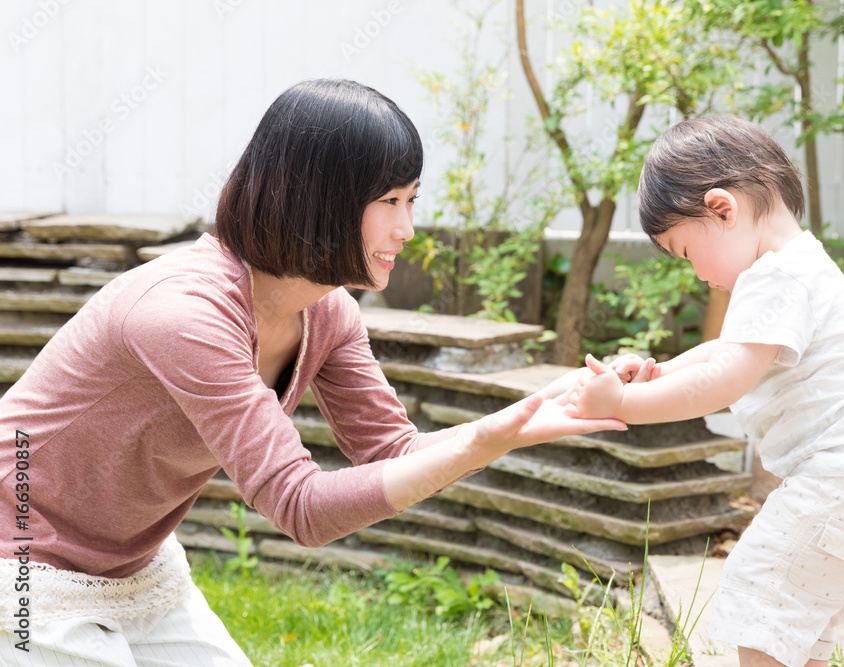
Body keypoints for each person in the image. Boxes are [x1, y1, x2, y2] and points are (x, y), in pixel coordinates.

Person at [0, 79, 626, 666]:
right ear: (315, 198)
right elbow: (301, 508)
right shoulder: (182, 313)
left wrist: (541, 411)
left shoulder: (327, 312)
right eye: (389, 202)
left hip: (129, 568)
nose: (407, 228)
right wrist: (479, 441)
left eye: (411, 201)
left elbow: (394, 451)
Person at [560, 115, 844, 667]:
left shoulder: (774, 277)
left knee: (760, 587)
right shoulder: (800, 267)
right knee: (798, 627)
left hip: (842, 477)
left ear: (722, 209)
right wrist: (660, 372)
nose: (697, 274)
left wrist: (621, 405)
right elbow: (723, 354)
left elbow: (724, 379)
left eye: (685, 252)